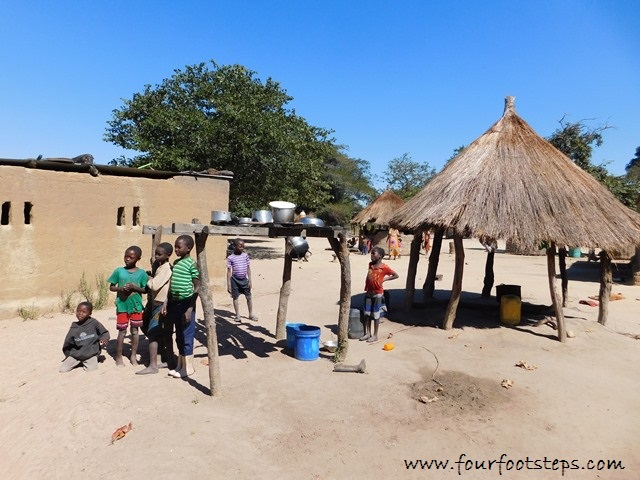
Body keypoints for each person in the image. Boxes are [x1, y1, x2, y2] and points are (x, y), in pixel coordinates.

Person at [108, 246, 148, 367]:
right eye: (126, 256)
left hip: (136, 307)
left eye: (131, 257)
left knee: (135, 331)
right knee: (122, 331)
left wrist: (135, 288)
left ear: (138, 258)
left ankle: (133, 356)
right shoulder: (119, 271)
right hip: (122, 306)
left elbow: (145, 290)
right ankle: (119, 357)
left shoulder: (142, 274)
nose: (127, 259)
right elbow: (111, 286)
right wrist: (121, 288)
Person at [166, 235, 200, 378]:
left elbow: (197, 286)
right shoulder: (176, 262)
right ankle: (181, 365)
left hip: (186, 304)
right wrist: (166, 302)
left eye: (179, 247)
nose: (176, 249)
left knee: (187, 334)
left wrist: (190, 308)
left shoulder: (192, 264)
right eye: (175, 247)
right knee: (179, 334)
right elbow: (172, 283)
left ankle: (189, 368)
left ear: (188, 248)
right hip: (175, 303)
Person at [137, 242, 173, 375]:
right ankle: (168, 359)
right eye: (156, 254)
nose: (156, 256)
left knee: (152, 333)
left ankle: (153, 366)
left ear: (168, 255)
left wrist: (148, 277)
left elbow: (154, 285)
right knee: (155, 330)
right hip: (157, 303)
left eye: (159, 254)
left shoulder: (166, 269)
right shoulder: (160, 267)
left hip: (161, 304)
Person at [361, 247, 399, 343]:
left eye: (374, 253)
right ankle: (367, 333)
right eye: (371, 253)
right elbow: (369, 275)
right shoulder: (371, 265)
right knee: (367, 314)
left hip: (378, 294)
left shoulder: (384, 267)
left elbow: (395, 275)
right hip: (369, 292)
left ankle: (375, 335)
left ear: (380, 256)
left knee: (376, 314)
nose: (372, 255)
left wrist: (385, 279)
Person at [60, 301, 110, 373]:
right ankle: (79, 362)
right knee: (63, 369)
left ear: (90, 313)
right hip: (76, 355)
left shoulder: (94, 323)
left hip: (90, 354)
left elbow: (104, 332)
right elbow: (68, 342)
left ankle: (94, 358)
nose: (80, 313)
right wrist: (70, 354)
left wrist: (104, 338)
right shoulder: (74, 326)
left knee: (91, 369)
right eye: (78, 311)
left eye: (84, 312)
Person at [226, 238, 257, 322]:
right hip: (235, 280)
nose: (242, 248)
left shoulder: (245, 256)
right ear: (235, 246)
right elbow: (229, 272)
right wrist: (228, 284)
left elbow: (248, 268)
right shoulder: (230, 258)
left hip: (244, 280)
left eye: (243, 246)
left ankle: (251, 314)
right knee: (235, 297)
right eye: (240, 246)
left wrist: (250, 280)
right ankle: (237, 315)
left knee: (249, 297)